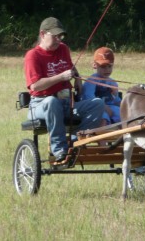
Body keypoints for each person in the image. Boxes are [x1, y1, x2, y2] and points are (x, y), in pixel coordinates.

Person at [24, 17, 104, 163]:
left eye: (60, 36)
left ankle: (75, 141)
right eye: (54, 36)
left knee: (97, 104)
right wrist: (61, 77)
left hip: (67, 102)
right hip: (41, 104)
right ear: (43, 34)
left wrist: (78, 78)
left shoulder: (63, 49)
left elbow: (70, 66)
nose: (58, 40)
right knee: (51, 102)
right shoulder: (33, 56)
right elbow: (35, 85)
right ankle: (59, 150)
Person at [81, 47, 121, 127]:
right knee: (102, 116)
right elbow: (89, 98)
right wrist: (104, 107)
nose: (107, 70)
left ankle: (122, 134)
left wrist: (123, 105)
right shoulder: (91, 81)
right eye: (103, 67)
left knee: (123, 114)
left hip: (110, 107)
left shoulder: (113, 83)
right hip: (94, 108)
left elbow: (115, 100)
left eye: (109, 66)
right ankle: (102, 136)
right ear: (95, 65)